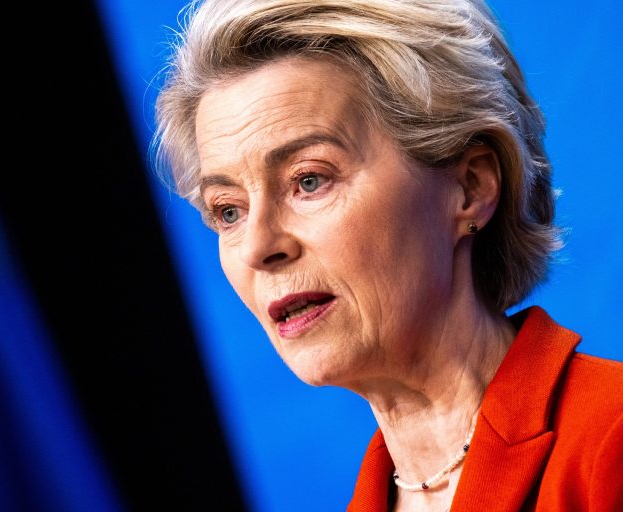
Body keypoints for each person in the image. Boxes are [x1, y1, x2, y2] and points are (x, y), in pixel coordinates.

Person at [152, 0, 623, 510]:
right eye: (228, 211)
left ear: (470, 187)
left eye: (308, 181)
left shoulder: (608, 443)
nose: (258, 247)